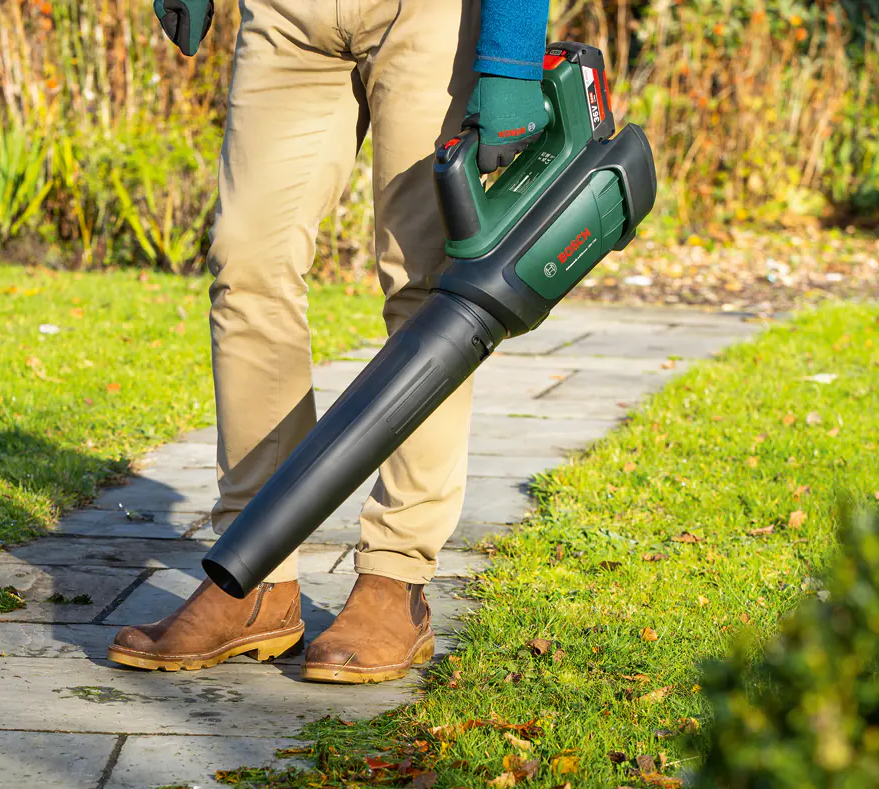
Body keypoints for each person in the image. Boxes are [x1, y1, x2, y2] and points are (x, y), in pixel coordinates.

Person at [109, 0, 552, 684]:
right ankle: (256, 577)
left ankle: (394, 577)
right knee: (247, 264)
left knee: (426, 289)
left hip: (432, 17)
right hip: (288, 15)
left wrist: (512, 53)